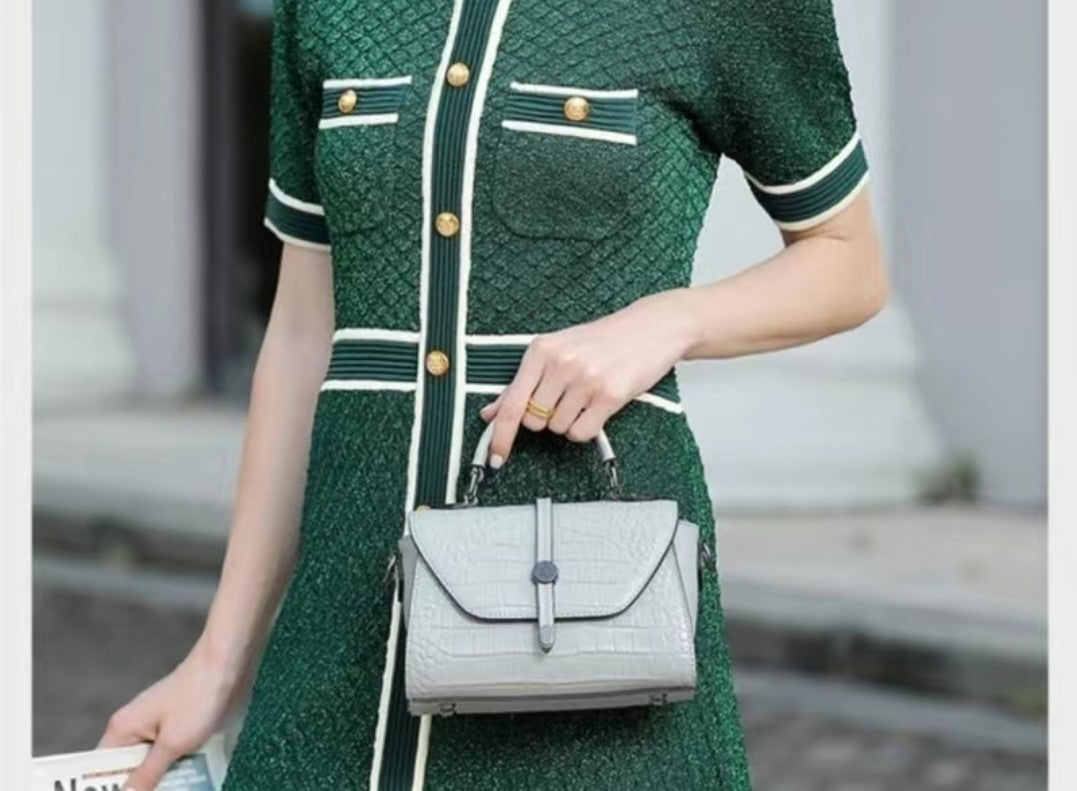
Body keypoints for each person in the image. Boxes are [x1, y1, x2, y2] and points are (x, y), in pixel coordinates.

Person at [98, 0, 887, 788]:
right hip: (340, 642)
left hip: (594, 635)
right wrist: (216, 659)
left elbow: (848, 262)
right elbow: (305, 333)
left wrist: (668, 322)